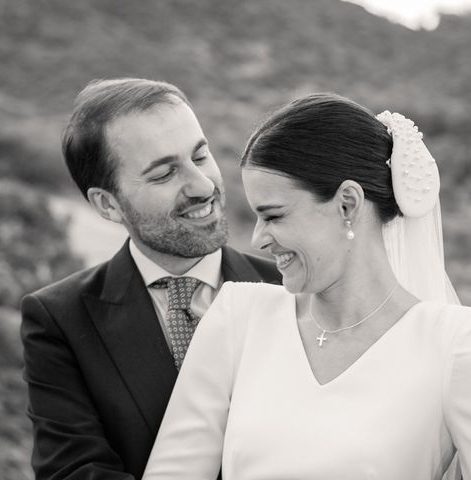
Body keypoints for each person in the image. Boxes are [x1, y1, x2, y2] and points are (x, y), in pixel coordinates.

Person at [142, 93, 471, 479]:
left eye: (274, 216)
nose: (258, 239)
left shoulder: (457, 345)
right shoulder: (236, 318)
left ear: (347, 204)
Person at [20, 78, 281, 479]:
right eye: (164, 174)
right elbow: (72, 472)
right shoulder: (59, 320)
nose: (202, 185)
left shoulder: (290, 289)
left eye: (201, 155)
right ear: (108, 204)